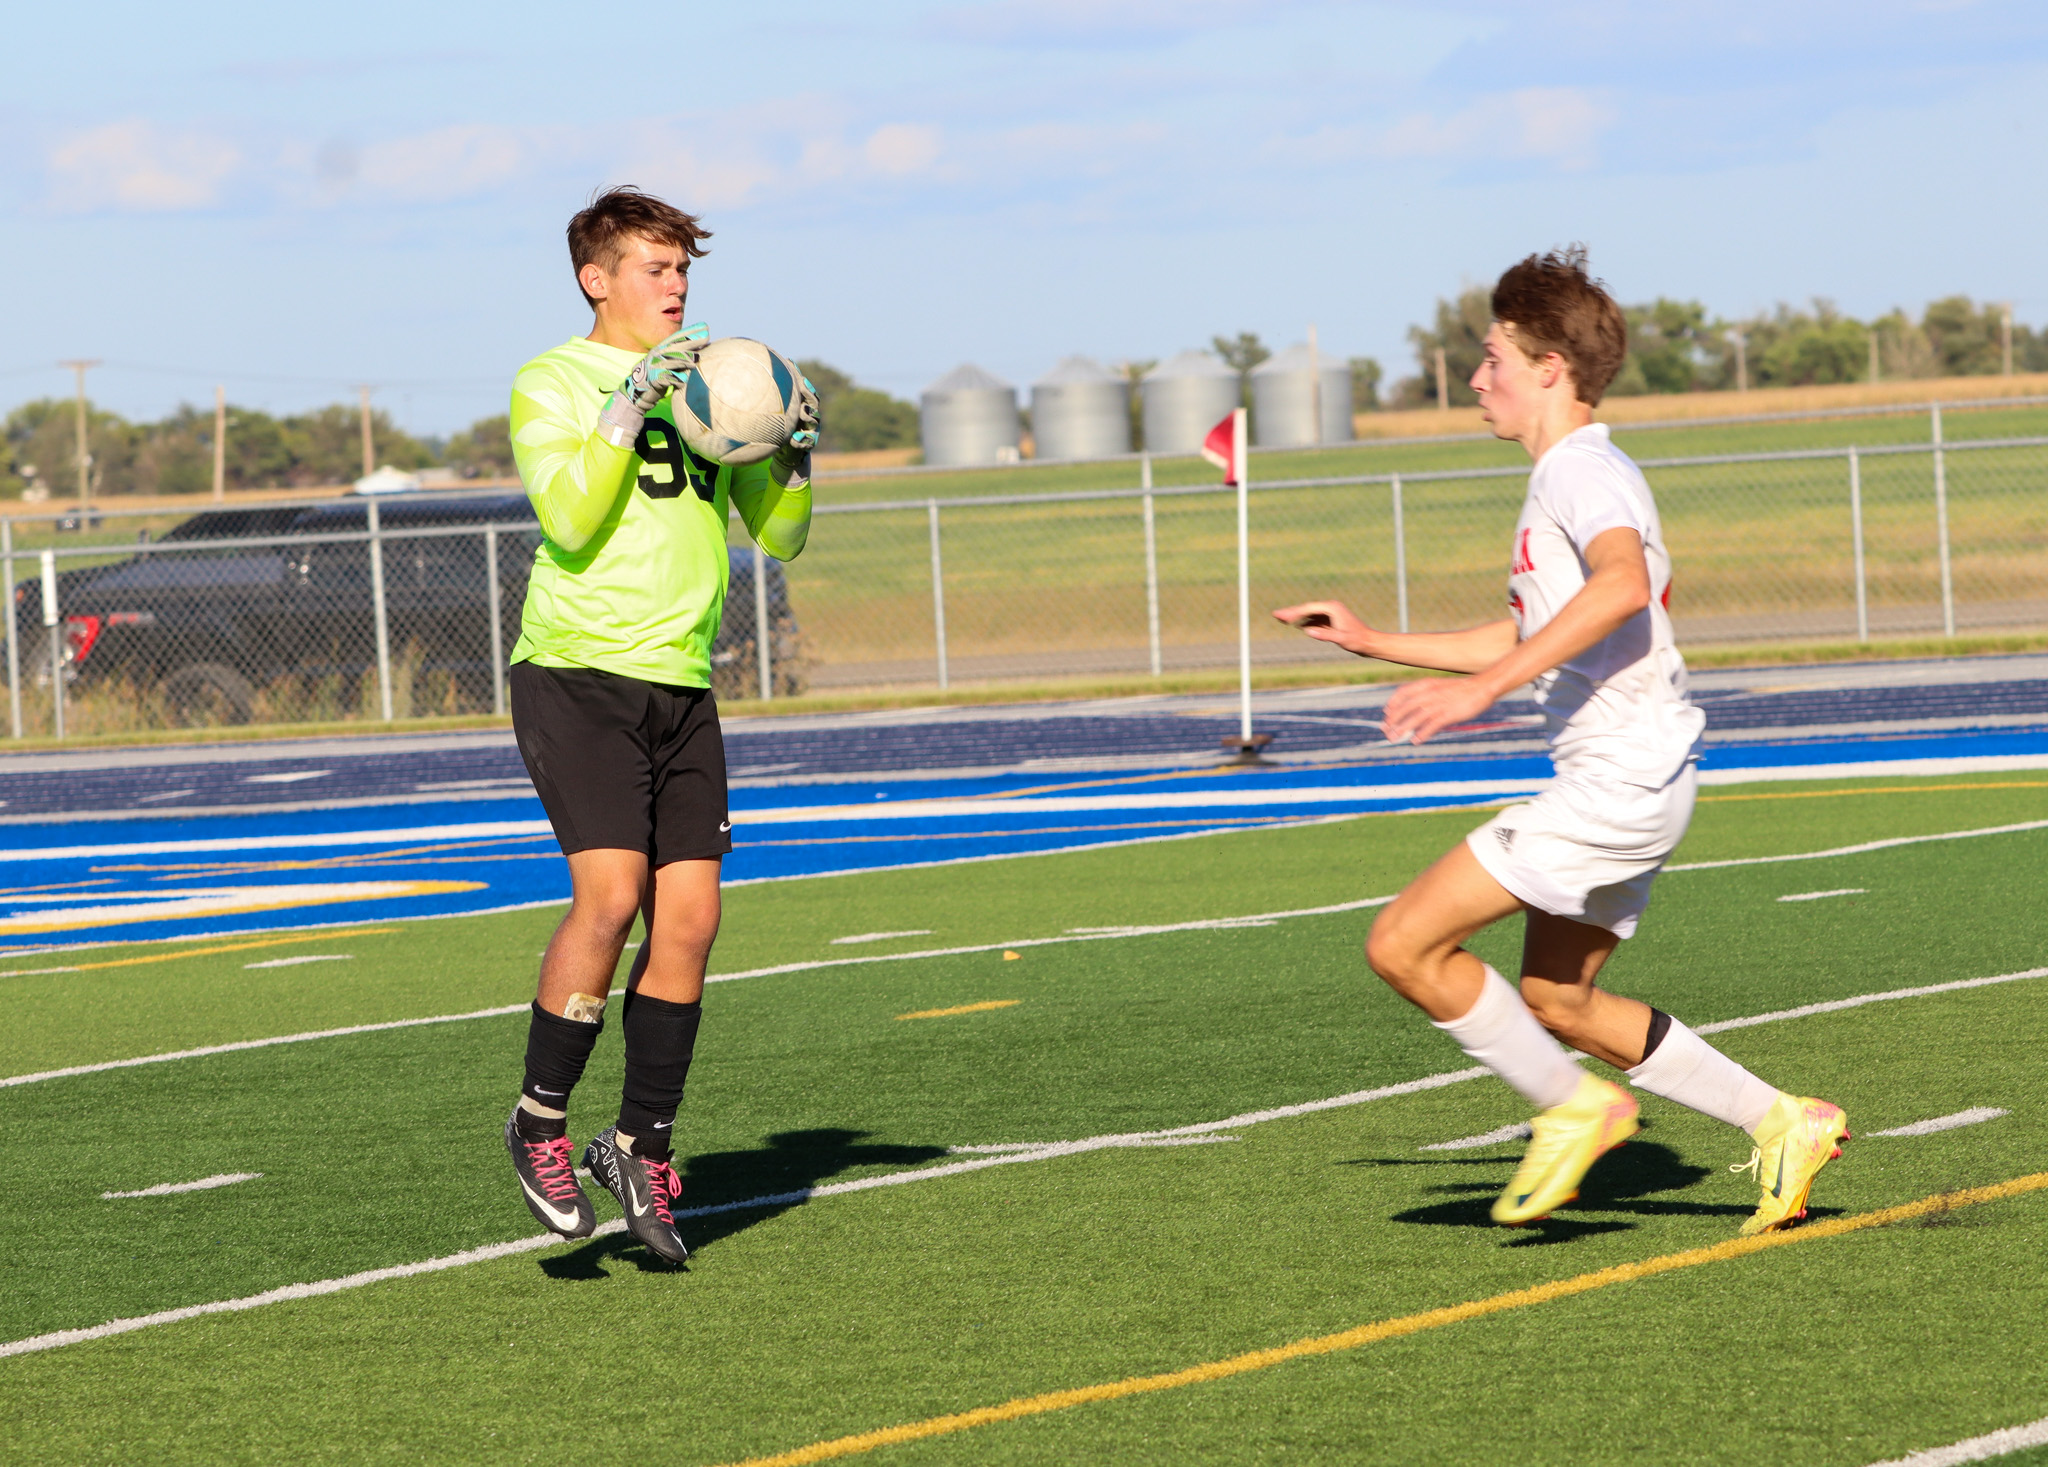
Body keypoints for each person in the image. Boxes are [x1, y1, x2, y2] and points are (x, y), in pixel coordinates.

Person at [1275, 248, 1846, 1233]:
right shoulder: (1570, 476)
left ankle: (1574, 1105)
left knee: (1402, 945)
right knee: (1557, 1000)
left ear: (1548, 368)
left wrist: (1487, 692)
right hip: (1639, 777)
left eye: (1492, 356)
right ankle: (1782, 1120)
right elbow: (1531, 631)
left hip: (1614, 784)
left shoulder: (1580, 473)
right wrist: (1372, 640)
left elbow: (1618, 585)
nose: (1474, 378)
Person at [500, 186, 817, 1263]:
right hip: (577, 672)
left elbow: (781, 541)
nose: (675, 288)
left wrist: (788, 450)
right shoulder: (552, 378)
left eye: (683, 270)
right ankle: (540, 1121)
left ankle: (641, 1142)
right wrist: (623, 406)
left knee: (689, 921)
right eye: (653, 268)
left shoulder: (709, 382)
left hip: (680, 682)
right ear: (597, 277)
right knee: (613, 897)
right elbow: (571, 515)